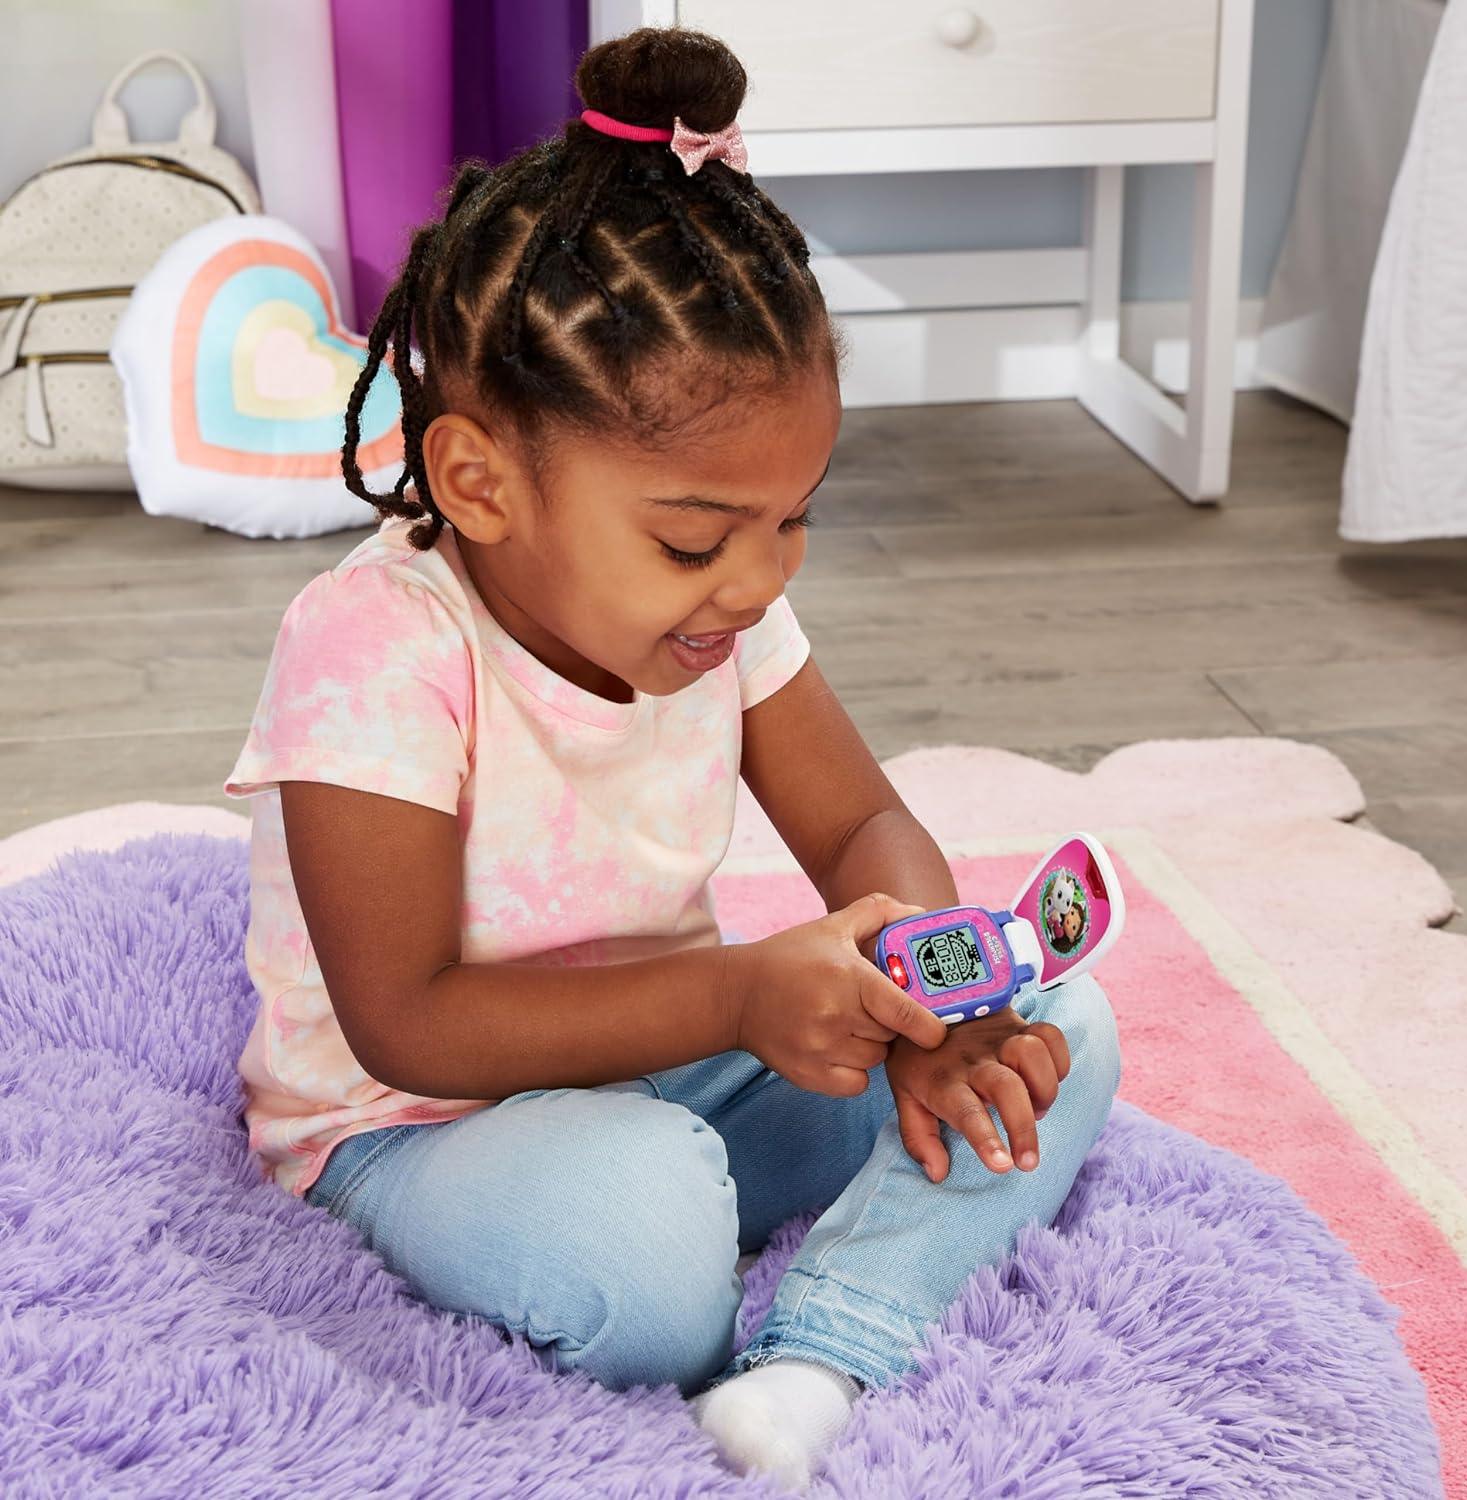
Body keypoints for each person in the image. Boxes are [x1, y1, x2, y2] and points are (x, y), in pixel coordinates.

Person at [222, 25, 1121, 1492]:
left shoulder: (721, 620)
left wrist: (934, 986)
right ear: (478, 481)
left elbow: (861, 826)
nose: (758, 580)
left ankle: (822, 1353)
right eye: (697, 540)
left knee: (1059, 1033)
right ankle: (744, 1264)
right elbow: (406, 1022)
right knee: (638, 1246)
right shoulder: (374, 646)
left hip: (687, 1065)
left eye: (794, 519)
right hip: (424, 1127)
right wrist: (744, 995)